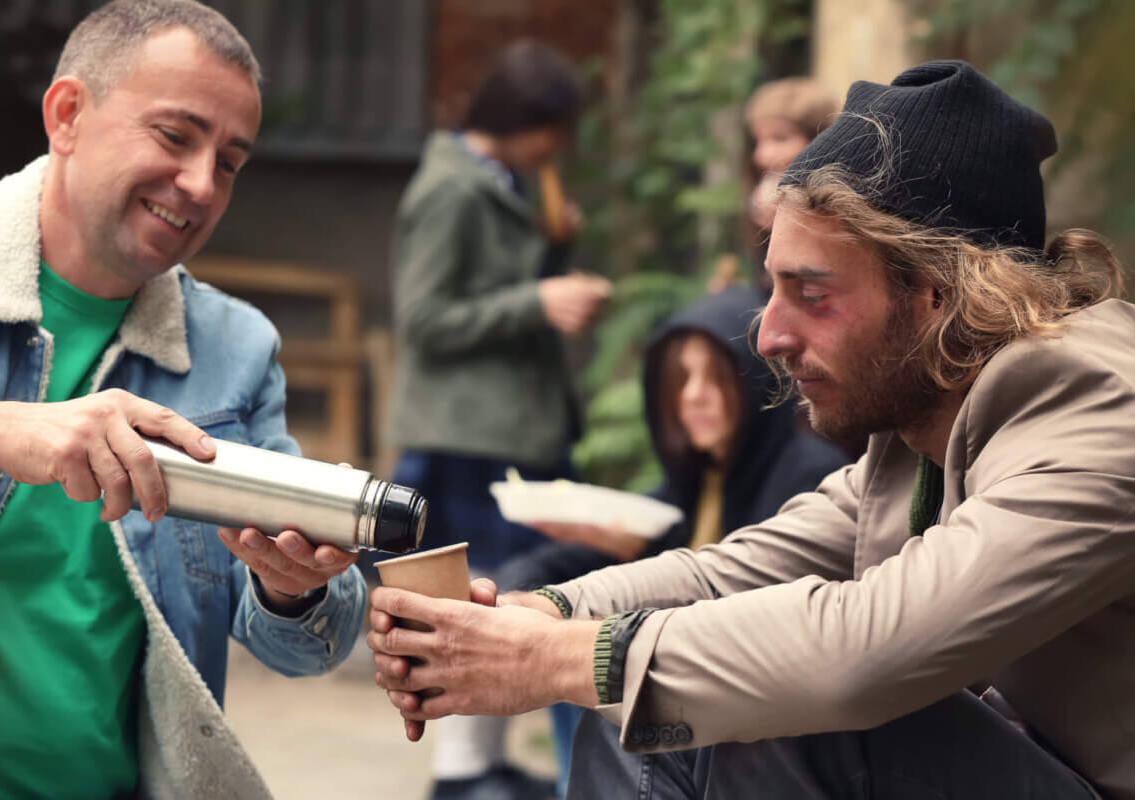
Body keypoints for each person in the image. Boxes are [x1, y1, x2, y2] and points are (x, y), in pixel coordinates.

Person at [368, 60, 1133, 799]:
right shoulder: (925, 420)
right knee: (650, 694)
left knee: (773, 702)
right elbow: (734, 570)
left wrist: (564, 661)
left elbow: (858, 657)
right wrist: (542, 617)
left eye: (812, 292)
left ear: (938, 294)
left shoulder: (1100, 415)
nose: (765, 335)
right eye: (773, 285)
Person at [0, 2, 366, 797]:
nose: (201, 184)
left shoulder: (235, 351)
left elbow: (310, 646)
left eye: (230, 161)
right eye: (175, 136)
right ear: (67, 115)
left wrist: (290, 584)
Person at [494, 286, 848, 792]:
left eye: (714, 376)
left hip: (773, 727)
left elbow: (762, 608)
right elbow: (572, 558)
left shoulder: (809, 476)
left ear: (750, 379)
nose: (693, 395)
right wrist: (503, 597)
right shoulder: (697, 480)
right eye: (680, 379)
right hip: (702, 715)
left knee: (616, 691)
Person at [385, 39, 610, 800]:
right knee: (467, 603)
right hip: (464, 440)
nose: (560, 148)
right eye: (556, 129)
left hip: (511, 433)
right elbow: (424, 318)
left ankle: (483, 763)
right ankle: (461, 776)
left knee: (505, 600)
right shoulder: (450, 190)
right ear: (527, 120)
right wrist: (537, 302)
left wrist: (553, 252)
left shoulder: (508, 181)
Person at [708, 77, 839, 294]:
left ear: (819, 139)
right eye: (758, 141)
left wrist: (795, 221)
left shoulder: (844, 201)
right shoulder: (759, 197)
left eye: (779, 138)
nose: (761, 156)